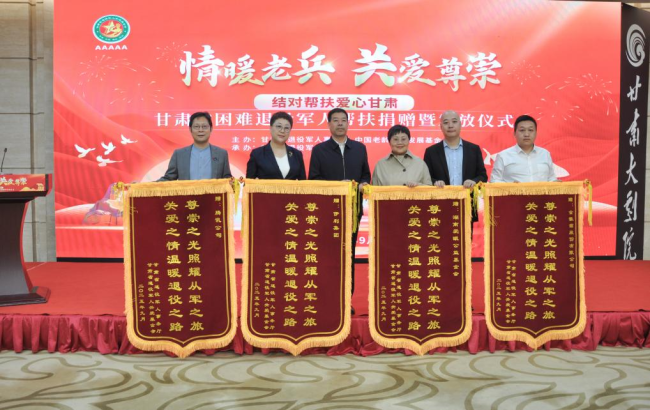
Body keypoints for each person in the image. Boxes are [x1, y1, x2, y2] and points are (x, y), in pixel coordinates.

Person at [309, 108, 371, 314]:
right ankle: (326, 299)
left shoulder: (359, 149)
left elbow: (366, 175)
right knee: (327, 256)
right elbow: (314, 180)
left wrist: (363, 184)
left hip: (352, 212)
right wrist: (337, 185)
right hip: (328, 212)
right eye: (335, 120)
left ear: (348, 123)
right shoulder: (319, 150)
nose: (340, 124)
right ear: (329, 124)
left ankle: (345, 300)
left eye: (343, 120)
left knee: (348, 255)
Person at [423, 110, 488, 222]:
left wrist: (473, 181)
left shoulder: (473, 149)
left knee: (466, 234)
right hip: (439, 206)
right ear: (441, 127)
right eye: (446, 122)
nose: (450, 125)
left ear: (460, 124)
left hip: (467, 205)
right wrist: (435, 182)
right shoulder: (431, 152)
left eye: (454, 121)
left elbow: (483, 176)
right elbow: (425, 178)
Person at [158, 112, 232, 181]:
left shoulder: (221, 154)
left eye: (204, 127)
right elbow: (168, 179)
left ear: (211, 129)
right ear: (190, 129)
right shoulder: (179, 154)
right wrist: (151, 186)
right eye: (196, 127)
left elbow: (228, 180)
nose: (200, 130)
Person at [490, 115, 558, 183]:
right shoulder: (503, 156)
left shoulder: (545, 154)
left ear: (536, 133)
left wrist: (555, 182)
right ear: (514, 133)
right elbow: (494, 180)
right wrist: (510, 186)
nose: (526, 134)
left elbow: (551, 178)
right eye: (522, 130)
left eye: (530, 130)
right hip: (513, 190)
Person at [246, 112, 306, 180]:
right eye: (279, 126)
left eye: (286, 128)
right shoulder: (257, 154)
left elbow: (303, 183)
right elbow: (249, 183)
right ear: (271, 128)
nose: (282, 131)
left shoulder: (297, 154)